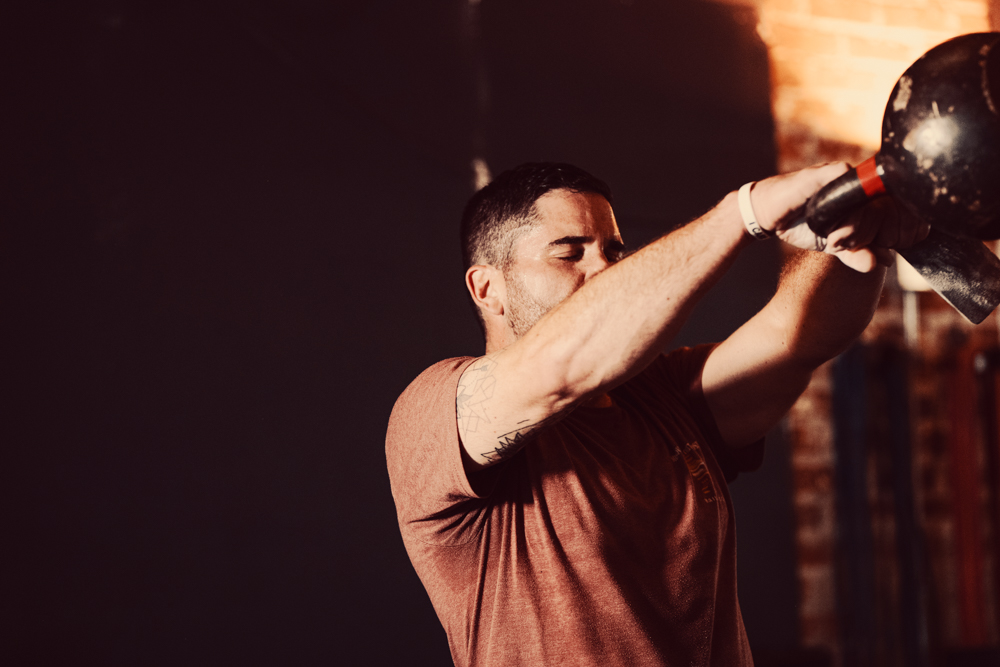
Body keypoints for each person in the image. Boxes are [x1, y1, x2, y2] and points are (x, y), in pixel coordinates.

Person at [385, 162, 927, 667]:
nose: (601, 268)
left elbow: (796, 339)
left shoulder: (661, 397)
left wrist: (845, 235)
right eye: (568, 252)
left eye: (613, 252)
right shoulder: (438, 410)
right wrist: (743, 213)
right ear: (487, 289)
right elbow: (562, 365)